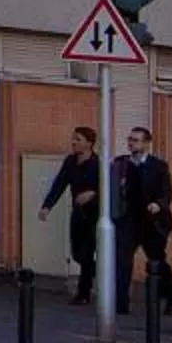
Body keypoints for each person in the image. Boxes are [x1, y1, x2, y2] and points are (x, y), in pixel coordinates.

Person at [114, 123, 172, 317]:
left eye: (135, 140)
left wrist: (158, 204)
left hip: (151, 221)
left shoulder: (158, 166)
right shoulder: (121, 164)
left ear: (146, 143)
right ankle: (121, 303)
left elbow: (167, 191)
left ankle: (171, 299)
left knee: (157, 260)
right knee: (122, 259)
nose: (131, 143)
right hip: (128, 219)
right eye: (130, 139)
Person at [37, 122, 101, 303]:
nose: (73, 142)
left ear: (89, 143)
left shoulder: (97, 164)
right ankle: (102, 272)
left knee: (87, 252)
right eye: (73, 139)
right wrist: (47, 206)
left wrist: (93, 195)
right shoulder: (70, 162)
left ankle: (83, 294)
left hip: (94, 214)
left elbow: (107, 189)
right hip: (78, 213)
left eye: (78, 139)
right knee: (77, 253)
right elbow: (60, 184)